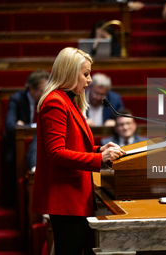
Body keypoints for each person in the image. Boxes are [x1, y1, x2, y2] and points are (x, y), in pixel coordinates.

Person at [31, 47, 124, 254]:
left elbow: (75, 146)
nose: (89, 80)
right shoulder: (55, 102)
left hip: (75, 196)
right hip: (65, 197)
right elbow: (56, 152)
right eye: (85, 74)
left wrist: (100, 149)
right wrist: (99, 159)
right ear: (70, 72)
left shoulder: (68, 100)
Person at [4, 69, 49, 191]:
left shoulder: (50, 100)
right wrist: (30, 127)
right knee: (11, 159)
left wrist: (25, 125)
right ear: (31, 89)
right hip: (20, 145)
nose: (46, 94)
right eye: (42, 91)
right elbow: (9, 126)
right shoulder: (17, 99)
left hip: (45, 143)